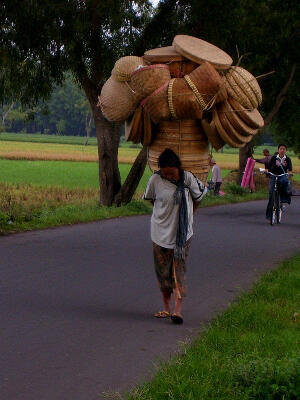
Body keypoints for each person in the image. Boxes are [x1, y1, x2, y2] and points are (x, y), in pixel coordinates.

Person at [143, 148, 207, 324]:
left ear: (176, 167)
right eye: (165, 173)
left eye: (171, 173)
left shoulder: (187, 178)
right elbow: (150, 199)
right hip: (159, 233)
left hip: (183, 235)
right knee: (162, 272)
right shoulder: (155, 180)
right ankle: (166, 307)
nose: (168, 176)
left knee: (179, 270)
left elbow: (199, 197)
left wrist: (189, 216)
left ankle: (178, 310)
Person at [265, 143, 293, 219]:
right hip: (273, 175)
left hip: (282, 175)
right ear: (278, 150)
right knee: (271, 194)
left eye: (284, 149)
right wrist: (267, 171)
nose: (282, 150)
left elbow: (290, 169)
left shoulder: (288, 159)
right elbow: (269, 167)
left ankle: (283, 198)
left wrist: (290, 173)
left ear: (286, 150)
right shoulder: (274, 158)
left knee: (284, 182)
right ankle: (269, 214)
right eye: (281, 149)